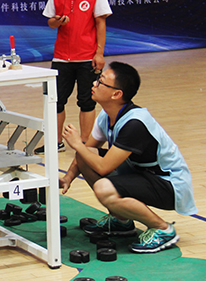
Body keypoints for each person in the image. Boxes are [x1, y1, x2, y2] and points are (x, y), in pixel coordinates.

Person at [60, 62, 197, 253]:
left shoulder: (135, 123)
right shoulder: (107, 115)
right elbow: (87, 153)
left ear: (116, 94)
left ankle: (163, 229)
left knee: (104, 188)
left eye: (100, 81)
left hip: (169, 185)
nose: (94, 84)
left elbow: (103, 167)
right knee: (86, 154)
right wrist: (68, 177)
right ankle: (121, 220)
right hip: (142, 174)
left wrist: (77, 144)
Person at [34, 0, 112, 155]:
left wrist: (99, 53)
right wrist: (57, 21)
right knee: (56, 101)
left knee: (86, 101)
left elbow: (101, 23)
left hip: (87, 57)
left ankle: (85, 145)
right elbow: (50, 22)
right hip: (62, 57)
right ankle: (56, 141)